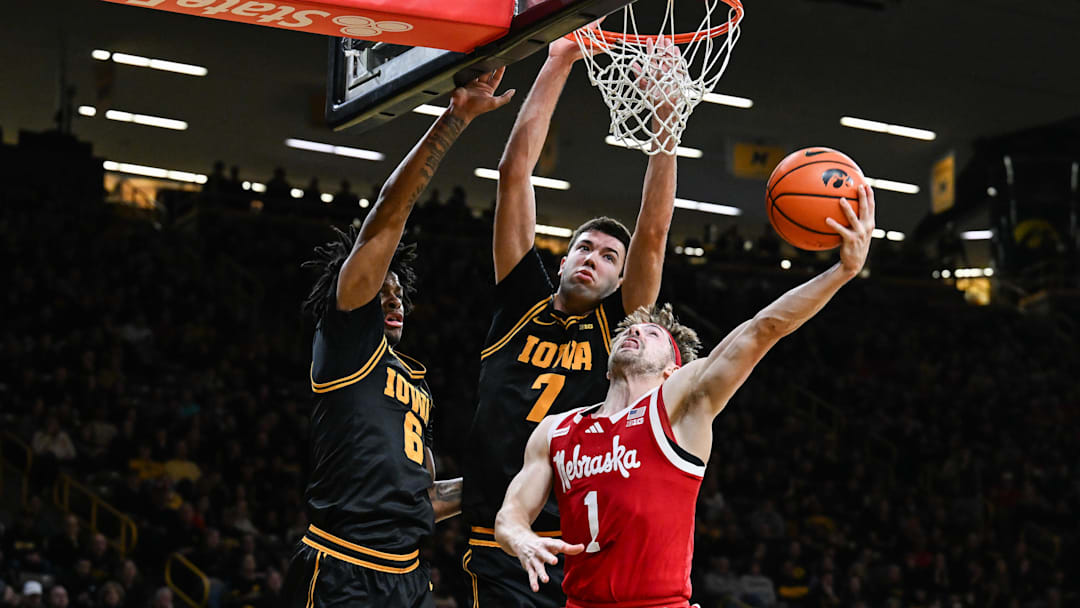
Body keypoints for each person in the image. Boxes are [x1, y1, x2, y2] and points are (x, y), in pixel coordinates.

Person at [494, 187, 876, 608]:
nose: (636, 331)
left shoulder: (679, 404)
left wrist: (841, 271)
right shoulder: (556, 429)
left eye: (652, 334)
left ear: (672, 370)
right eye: (629, 332)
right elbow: (511, 513)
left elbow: (762, 329)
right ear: (606, 364)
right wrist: (520, 537)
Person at [280, 68, 515, 608]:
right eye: (381, 290)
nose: (393, 300)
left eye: (400, 293)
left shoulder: (416, 386)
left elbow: (424, 499)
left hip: (408, 577)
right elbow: (389, 214)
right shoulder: (346, 347)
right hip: (343, 566)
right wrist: (454, 120)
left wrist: (513, 478)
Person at [461, 37, 677, 608]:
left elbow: (652, 233)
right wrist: (560, 58)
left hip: (591, 546)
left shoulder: (620, 328)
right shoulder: (521, 301)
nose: (593, 259)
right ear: (562, 259)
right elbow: (514, 172)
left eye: (609, 257)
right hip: (506, 535)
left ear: (621, 280)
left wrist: (664, 133)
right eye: (584, 247)